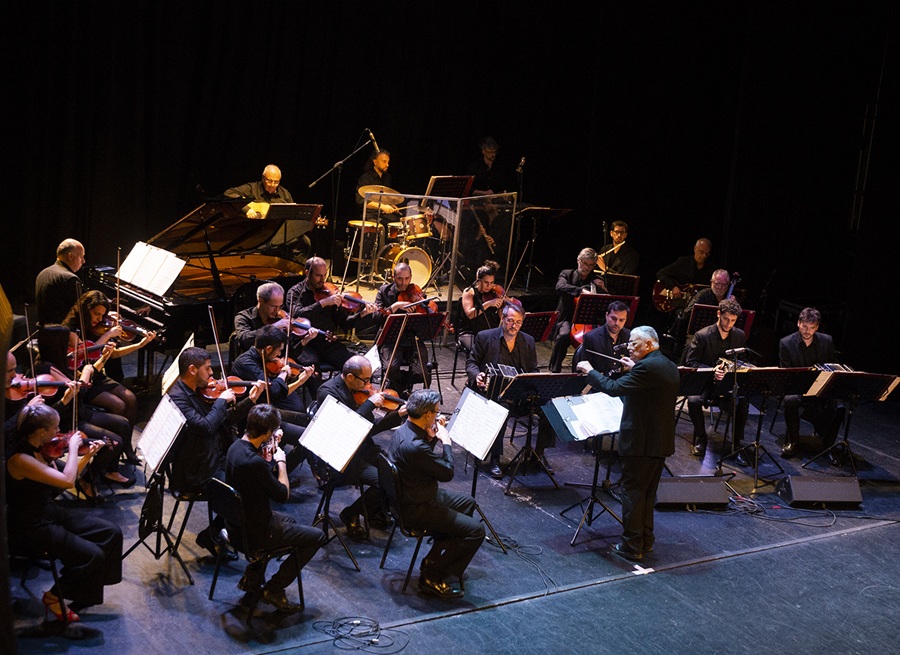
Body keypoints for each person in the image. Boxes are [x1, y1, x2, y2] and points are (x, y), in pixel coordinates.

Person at [6, 403, 123, 620]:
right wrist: (73, 449)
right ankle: (54, 596)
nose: (59, 433)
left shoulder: (41, 449)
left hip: (48, 513)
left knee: (111, 532)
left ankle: (85, 590)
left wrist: (88, 456)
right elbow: (67, 480)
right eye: (55, 428)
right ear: (42, 432)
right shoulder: (20, 459)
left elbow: (66, 479)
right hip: (30, 525)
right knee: (92, 555)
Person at [576, 326, 680, 561]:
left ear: (649, 345)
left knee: (633, 493)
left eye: (634, 344)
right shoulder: (667, 365)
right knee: (647, 493)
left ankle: (632, 545)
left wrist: (591, 371)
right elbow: (649, 386)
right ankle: (646, 540)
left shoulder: (646, 368)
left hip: (641, 443)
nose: (629, 348)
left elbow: (613, 388)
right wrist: (635, 369)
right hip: (659, 442)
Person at [224, 404, 326, 612]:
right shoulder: (255, 463)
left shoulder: (235, 448)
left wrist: (269, 447)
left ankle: (252, 578)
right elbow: (282, 494)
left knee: (290, 522)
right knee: (317, 537)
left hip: (235, 525)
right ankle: (274, 588)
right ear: (268, 432)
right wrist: (281, 462)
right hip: (256, 534)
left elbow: (257, 476)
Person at [166, 346, 265, 556]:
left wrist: (251, 401)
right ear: (192, 370)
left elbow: (224, 419)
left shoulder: (198, 392)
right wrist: (221, 402)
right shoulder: (177, 397)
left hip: (212, 456)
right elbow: (205, 427)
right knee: (245, 490)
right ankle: (227, 534)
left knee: (253, 480)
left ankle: (215, 532)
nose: (212, 374)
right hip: (196, 470)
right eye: (208, 369)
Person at [386, 388, 485, 598]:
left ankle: (434, 558)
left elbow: (419, 463)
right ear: (427, 415)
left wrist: (430, 438)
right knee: (475, 531)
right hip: (417, 508)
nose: (439, 415)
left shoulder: (403, 431)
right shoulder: (415, 446)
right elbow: (447, 473)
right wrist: (446, 442)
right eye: (437, 411)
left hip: (412, 495)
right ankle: (433, 575)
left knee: (467, 503)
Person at [315, 355, 406, 540]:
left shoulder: (358, 392)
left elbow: (369, 430)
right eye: (365, 380)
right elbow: (346, 429)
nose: (368, 386)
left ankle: (375, 511)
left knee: (396, 471)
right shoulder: (328, 393)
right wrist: (369, 405)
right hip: (340, 457)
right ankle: (351, 513)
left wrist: (397, 414)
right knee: (384, 482)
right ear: (349, 377)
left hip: (362, 448)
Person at [36, 325, 134, 496]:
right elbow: (79, 389)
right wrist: (86, 373)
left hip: (81, 411)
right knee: (113, 442)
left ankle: (111, 471)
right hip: (68, 420)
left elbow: (86, 379)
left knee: (123, 423)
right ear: (56, 345)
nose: (71, 346)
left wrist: (103, 358)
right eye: (66, 342)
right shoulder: (45, 369)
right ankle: (86, 479)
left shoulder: (61, 361)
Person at [63, 290, 157, 464]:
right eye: (96, 314)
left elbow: (113, 354)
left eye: (102, 314)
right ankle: (111, 460)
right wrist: (107, 335)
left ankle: (126, 446)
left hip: (97, 374)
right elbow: (85, 354)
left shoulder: (99, 328)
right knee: (118, 405)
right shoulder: (71, 329)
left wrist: (140, 344)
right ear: (85, 310)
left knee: (130, 398)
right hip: (82, 379)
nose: (100, 319)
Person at [466, 302, 548, 479]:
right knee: (501, 408)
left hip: (520, 393)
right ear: (502, 318)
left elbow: (533, 369)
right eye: (510, 321)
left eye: (518, 322)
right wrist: (477, 375)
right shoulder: (485, 337)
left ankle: (538, 454)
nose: (514, 326)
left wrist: (535, 380)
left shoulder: (528, 341)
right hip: (492, 391)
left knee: (549, 406)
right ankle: (495, 458)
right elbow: (471, 363)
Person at [229, 324, 316, 471]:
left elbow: (278, 394)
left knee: (307, 420)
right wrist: (283, 374)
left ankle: (310, 465)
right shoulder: (246, 363)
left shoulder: (265, 359)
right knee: (308, 439)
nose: (279, 357)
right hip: (256, 420)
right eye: (279, 351)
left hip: (269, 410)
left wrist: (300, 381)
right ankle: (280, 472)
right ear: (268, 349)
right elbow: (274, 391)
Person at [682, 298, 750, 466]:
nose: (729, 323)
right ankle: (701, 438)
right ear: (719, 314)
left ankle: (736, 445)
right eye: (726, 319)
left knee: (742, 402)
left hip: (726, 384)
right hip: (706, 382)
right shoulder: (702, 335)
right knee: (693, 400)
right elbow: (691, 363)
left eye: (733, 321)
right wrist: (713, 371)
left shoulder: (739, 335)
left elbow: (741, 361)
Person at [285, 256, 377, 378]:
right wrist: (323, 303)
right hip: (306, 343)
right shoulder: (295, 292)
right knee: (312, 371)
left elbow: (345, 323)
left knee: (355, 367)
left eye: (324, 275)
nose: (322, 280)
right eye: (318, 276)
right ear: (307, 273)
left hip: (327, 342)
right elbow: (297, 315)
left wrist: (362, 314)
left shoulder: (329, 292)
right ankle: (320, 396)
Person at [778, 307, 845, 462]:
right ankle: (793, 442)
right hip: (798, 386)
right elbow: (786, 373)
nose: (808, 331)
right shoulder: (786, 343)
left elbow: (832, 365)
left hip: (821, 386)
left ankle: (828, 446)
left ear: (817, 327)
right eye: (805, 327)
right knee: (790, 400)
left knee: (839, 407)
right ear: (798, 323)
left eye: (812, 328)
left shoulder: (826, 341)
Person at [374, 262, 432, 396]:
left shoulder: (416, 292)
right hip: (390, 338)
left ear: (411, 277)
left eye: (407, 278)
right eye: (400, 278)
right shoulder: (384, 291)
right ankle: (401, 391)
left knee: (421, 374)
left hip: (412, 338)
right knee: (391, 368)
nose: (404, 283)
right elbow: (376, 317)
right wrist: (394, 306)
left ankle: (398, 385)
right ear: (393, 277)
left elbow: (425, 319)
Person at [548, 247, 607, 373]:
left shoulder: (596, 280)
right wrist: (580, 291)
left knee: (599, 338)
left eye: (591, 265)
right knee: (563, 335)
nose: (587, 267)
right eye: (584, 263)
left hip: (587, 320)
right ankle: (555, 368)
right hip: (567, 318)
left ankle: (589, 372)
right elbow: (560, 286)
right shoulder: (567, 274)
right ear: (578, 260)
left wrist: (604, 289)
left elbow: (606, 302)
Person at [672, 269, 733, 360]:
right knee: (692, 347)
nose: (720, 287)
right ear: (711, 282)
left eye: (723, 285)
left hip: (720, 336)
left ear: (728, 285)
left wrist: (732, 306)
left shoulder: (731, 299)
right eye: (717, 284)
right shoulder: (702, 295)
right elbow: (686, 315)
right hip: (698, 333)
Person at [35, 238, 86, 326]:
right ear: (70, 256)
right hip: (62, 333)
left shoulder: (44, 272)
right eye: (81, 257)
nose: (83, 261)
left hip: (44, 331)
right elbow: (80, 313)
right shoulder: (70, 278)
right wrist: (103, 315)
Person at [457, 260, 505, 353]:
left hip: (490, 331)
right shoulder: (469, 292)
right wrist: (489, 303)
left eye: (492, 282)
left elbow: (501, 317)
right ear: (478, 279)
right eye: (486, 282)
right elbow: (470, 314)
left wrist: (503, 306)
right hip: (470, 333)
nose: (489, 286)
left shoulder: (494, 293)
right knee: (484, 351)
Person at [573, 300, 632, 376]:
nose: (617, 323)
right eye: (613, 318)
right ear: (606, 315)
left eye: (621, 320)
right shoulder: (591, 337)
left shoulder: (630, 336)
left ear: (626, 319)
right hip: (599, 382)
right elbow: (583, 368)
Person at [654, 238, 715, 309]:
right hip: (679, 305)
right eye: (701, 252)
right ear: (695, 249)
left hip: (698, 305)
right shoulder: (683, 262)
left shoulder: (711, 268)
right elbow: (661, 273)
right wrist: (673, 287)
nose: (704, 256)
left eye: (707, 254)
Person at [224, 164, 293, 218]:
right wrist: (246, 209)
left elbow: (293, 215)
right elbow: (228, 193)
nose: (272, 185)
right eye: (269, 181)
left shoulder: (285, 194)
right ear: (263, 178)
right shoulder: (252, 188)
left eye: (276, 182)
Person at [356, 149, 399, 220]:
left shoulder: (387, 178)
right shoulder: (366, 178)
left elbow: (385, 198)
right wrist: (381, 206)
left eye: (388, 162)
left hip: (383, 213)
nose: (387, 165)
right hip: (369, 214)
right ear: (375, 162)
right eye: (384, 162)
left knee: (398, 222)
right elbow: (361, 201)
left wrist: (391, 205)